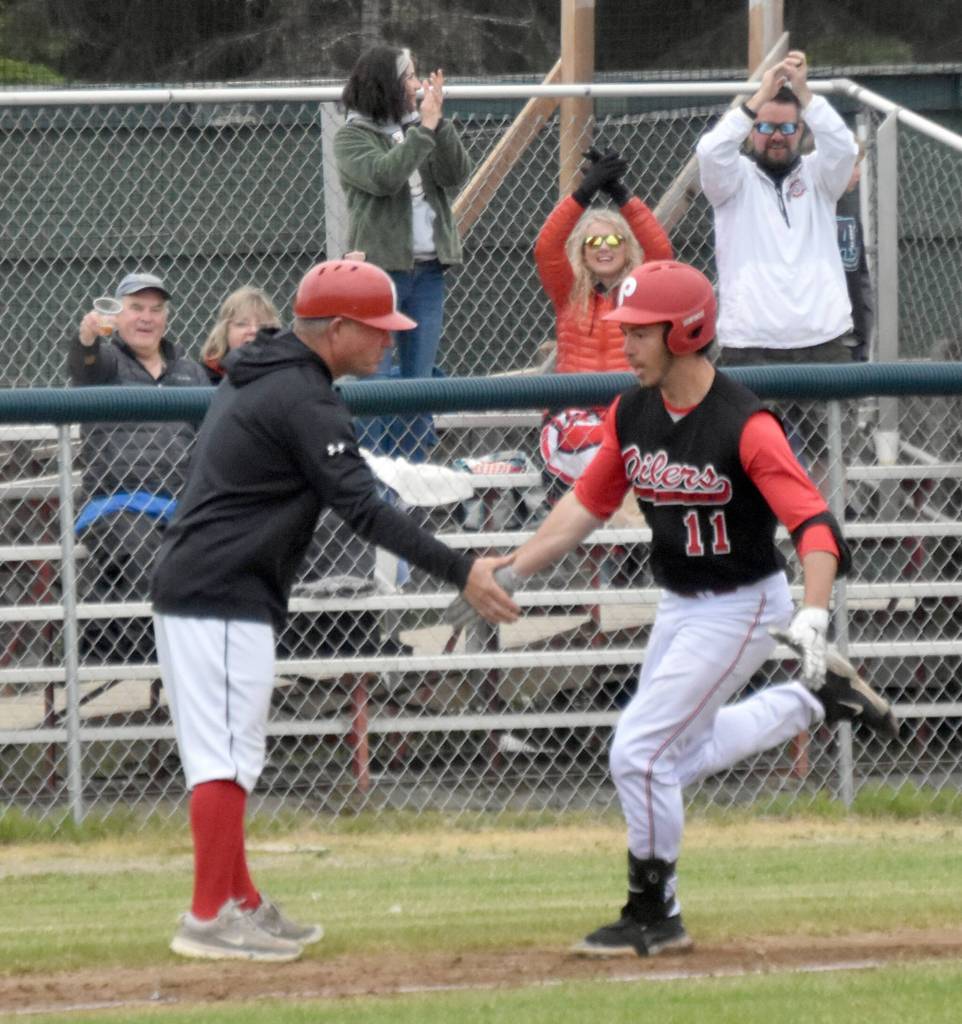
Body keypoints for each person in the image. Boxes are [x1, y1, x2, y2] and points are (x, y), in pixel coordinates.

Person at [445, 260, 896, 958]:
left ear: (685, 332)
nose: (627, 344)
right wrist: (515, 565)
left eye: (640, 332)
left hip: (744, 604)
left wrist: (812, 614)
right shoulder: (633, 410)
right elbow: (587, 504)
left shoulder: (745, 424)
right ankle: (813, 704)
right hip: (681, 603)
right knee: (671, 759)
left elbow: (814, 526)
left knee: (638, 752)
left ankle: (653, 910)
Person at [150, 259, 519, 963]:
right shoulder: (300, 393)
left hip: (217, 586)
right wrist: (461, 569)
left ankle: (241, 902)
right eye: (379, 329)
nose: (389, 341)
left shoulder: (279, 374)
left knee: (231, 755)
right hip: (218, 591)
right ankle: (206, 916)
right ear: (339, 329)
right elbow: (361, 507)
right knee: (224, 760)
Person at [334, 44, 471, 460]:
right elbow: (384, 177)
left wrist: (437, 123)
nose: (417, 84)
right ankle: (370, 479)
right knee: (374, 383)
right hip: (378, 276)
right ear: (387, 84)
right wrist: (423, 131)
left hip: (428, 273)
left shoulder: (422, 126)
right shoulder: (351, 137)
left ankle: (411, 481)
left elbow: (456, 173)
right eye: (409, 76)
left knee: (418, 384)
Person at [68, 271, 208, 662]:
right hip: (116, 507)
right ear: (119, 316)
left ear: (166, 319)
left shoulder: (190, 373)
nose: (146, 318)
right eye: (135, 308)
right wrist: (88, 338)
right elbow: (85, 362)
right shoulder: (107, 364)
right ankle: (169, 652)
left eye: (155, 309)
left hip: (180, 508)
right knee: (145, 545)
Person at [696, 50, 859, 366]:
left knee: (832, 418)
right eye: (765, 127)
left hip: (823, 339)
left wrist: (804, 93)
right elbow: (710, 152)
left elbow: (843, 146)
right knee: (753, 419)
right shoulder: (732, 180)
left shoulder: (820, 177)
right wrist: (759, 96)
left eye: (786, 129)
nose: (776, 137)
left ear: (800, 131)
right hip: (750, 343)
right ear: (750, 130)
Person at [535, 146, 673, 491]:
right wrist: (583, 194)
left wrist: (621, 195)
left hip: (629, 410)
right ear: (582, 250)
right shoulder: (570, 293)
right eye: (594, 241)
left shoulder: (643, 289)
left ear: (627, 246)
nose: (604, 247)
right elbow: (546, 248)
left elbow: (661, 252)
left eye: (614, 239)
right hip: (575, 413)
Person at [836, 146, 874, 363]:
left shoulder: (849, 215)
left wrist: (863, 330)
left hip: (853, 335)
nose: (858, 173)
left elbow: (861, 278)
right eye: (853, 165)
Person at [200, 286, 281, 384]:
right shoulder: (203, 376)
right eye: (242, 324)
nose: (253, 330)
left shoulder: (285, 373)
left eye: (262, 325)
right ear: (225, 331)